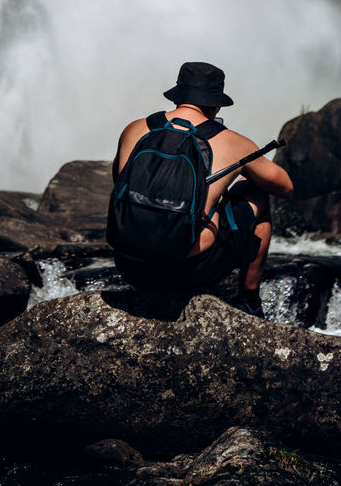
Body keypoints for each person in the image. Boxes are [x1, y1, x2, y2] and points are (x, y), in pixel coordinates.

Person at [110, 61, 293, 317]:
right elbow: (284, 186)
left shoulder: (135, 129)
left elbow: (118, 180)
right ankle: (249, 300)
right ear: (215, 103)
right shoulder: (232, 142)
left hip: (129, 266)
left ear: (178, 95)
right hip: (188, 271)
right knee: (256, 194)